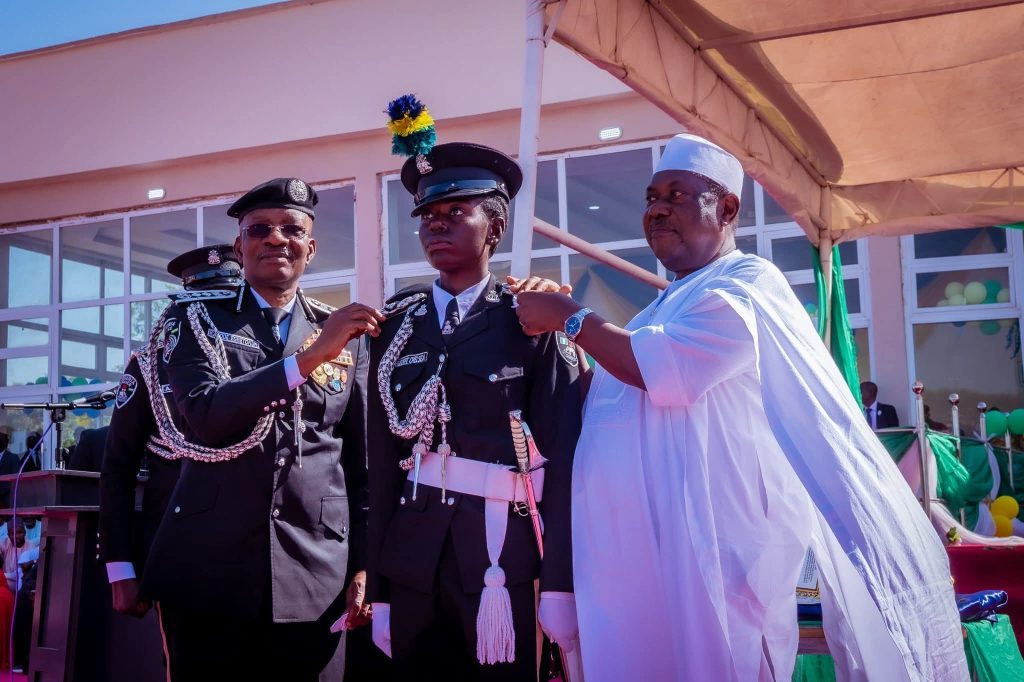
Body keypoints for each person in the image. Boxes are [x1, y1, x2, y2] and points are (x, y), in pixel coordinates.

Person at [512, 133, 968, 680]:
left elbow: (665, 371)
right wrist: (555, 339)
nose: (657, 209)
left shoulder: (748, 284)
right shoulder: (661, 307)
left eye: (676, 195)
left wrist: (568, 316)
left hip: (713, 558)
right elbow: (609, 393)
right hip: (642, 561)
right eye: (651, 198)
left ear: (727, 208)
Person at [141, 178, 379, 681]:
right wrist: (311, 357)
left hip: (316, 570)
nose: (276, 238)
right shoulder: (194, 320)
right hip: (210, 571)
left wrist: (364, 564)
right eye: (260, 229)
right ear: (240, 247)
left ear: (311, 248)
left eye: (292, 229)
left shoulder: (346, 335)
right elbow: (206, 415)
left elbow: (359, 464)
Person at [365, 142, 582, 681]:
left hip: (500, 559)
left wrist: (559, 584)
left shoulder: (531, 318)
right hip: (413, 559)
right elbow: (383, 465)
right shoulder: (395, 326)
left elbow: (565, 462)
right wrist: (382, 588)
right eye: (428, 216)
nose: (436, 225)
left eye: (456, 212)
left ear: (496, 228)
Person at [99, 244, 243, 624]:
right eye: (205, 303)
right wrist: (120, 567)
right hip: (177, 544)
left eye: (227, 301)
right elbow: (117, 469)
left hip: (253, 542)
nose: (215, 312)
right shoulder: (149, 365)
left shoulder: (260, 357)